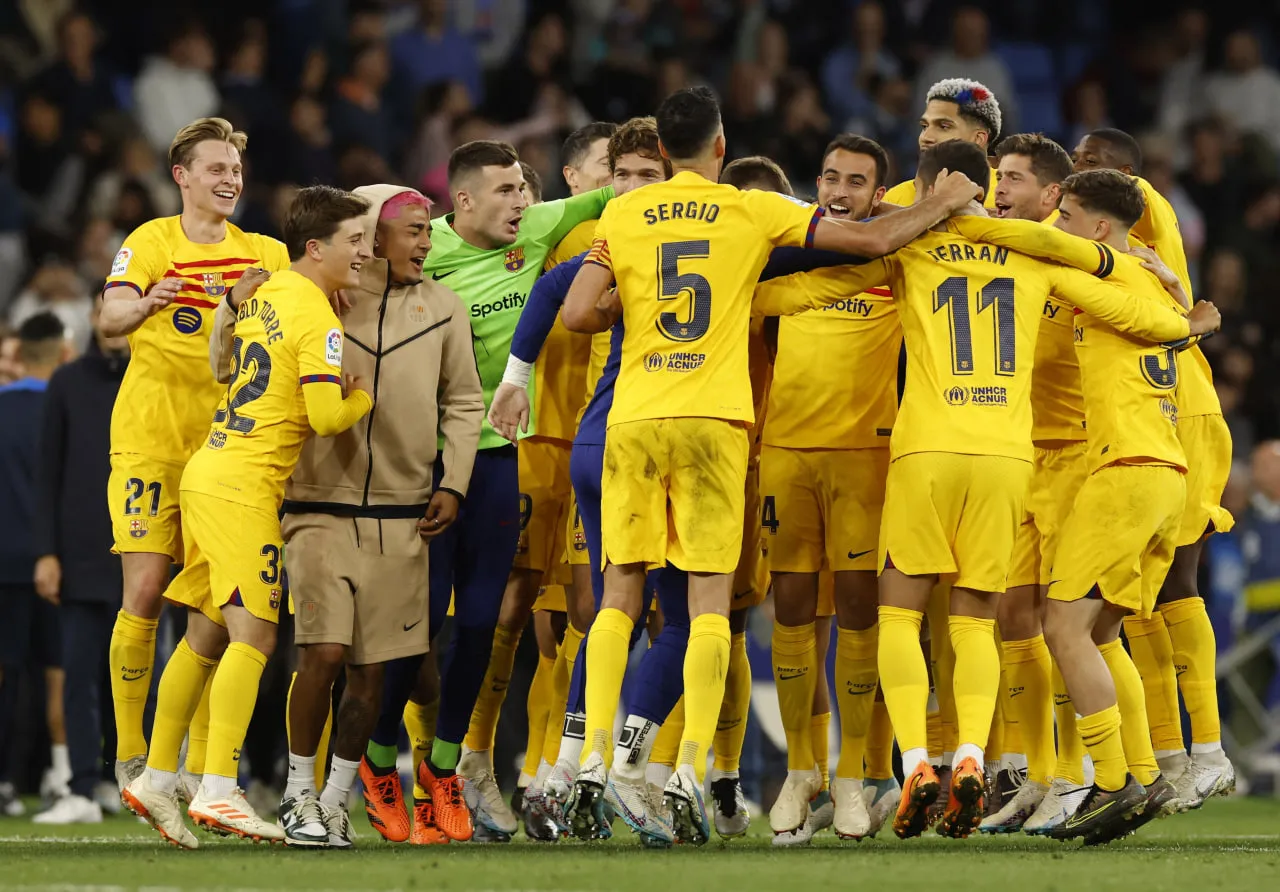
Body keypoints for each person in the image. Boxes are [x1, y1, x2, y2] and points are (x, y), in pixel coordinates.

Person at [560, 85, 982, 844]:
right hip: (713, 422)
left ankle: (592, 762)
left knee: (619, 595)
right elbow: (870, 244)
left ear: (661, 153)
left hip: (634, 418)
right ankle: (689, 770)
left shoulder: (621, 214)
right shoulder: (752, 209)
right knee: (707, 605)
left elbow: (578, 313)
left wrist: (632, 307)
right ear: (720, 148)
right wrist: (942, 202)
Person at [762, 139, 1204, 841]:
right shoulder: (1033, 254)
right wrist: (1187, 317)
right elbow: (1132, 313)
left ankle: (917, 763)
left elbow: (808, 291)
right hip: (1005, 458)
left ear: (932, 187)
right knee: (974, 621)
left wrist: (740, 296)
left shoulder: (908, 248)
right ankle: (972, 752)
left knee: (899, 614)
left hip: (927, 452)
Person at [946, 170, 1224, 842]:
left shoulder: (1105, 273)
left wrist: (960, 215)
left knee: (1063, 628)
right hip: (1163, 474)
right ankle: (1143, 773)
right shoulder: (1147, 280)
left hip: (1125, 472)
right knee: (1099, 635)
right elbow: (1163, 324)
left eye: (1067, 216)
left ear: (1099, 228)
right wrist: (1189, 312)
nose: (1059, 227)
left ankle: (1112, 781)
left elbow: (1044, 257)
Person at [207, 186, 485, 847]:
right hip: (316, 505)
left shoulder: (443, 307)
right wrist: (228, 308)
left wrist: (455, 481)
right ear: (373, 239)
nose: (427, 242)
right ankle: (298, 793)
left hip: (403, 512)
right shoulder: (316, 297)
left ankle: (335, 800)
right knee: (322, 654)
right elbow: (226, 365)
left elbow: (464, 401)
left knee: (375, 675)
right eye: (413, 231)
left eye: (428, 230)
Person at [364, 139, 614, 846]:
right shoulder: (418, 247)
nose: (522, 202)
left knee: (481, 620)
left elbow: (619, 194)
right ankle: (378, 761)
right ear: (464, 200)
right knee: (417, 626)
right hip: (420, 461)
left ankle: (444, 770)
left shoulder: (534, 228)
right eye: (506, 191)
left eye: (524, 189)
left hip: (498, 453)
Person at [123, 186, 375, 848]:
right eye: (355, 241)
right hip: (244, 486)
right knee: (257, 635)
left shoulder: (263, 292)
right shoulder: (318, 317)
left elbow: (221, 361)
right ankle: (217, 786)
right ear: (315, 247)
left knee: (205, 634)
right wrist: (362, 397)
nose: (366, 252)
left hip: (209, 469)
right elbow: (327, 416)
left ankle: (156, 776)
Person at [100, 117, 288, 794]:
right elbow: (109, 318)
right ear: (182, 177)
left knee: (214, 610)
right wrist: (145, 305)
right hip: (151, 441)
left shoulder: (264, 252)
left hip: (227, 453)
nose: (230, 179)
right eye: (216, 169)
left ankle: (198, 769)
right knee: (146, 589)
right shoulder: (152, 241)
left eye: (235, 170)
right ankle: (130, 752)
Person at [460, 122, 616, 838]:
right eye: (609, 168)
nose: (620, 181)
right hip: (528, 440)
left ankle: (550, 772)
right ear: (575, 179)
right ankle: (473, 758)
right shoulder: (539, 235)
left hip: (598, 441)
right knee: (512, 610)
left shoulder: (645, 238)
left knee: (587, 610)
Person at [1072, 127, 1236, 807]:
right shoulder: (1119, 244)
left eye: (1087, 164)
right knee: (1133, 592)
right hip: (1152, 404)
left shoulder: (1136, 201)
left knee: (1174, 579)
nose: (1075, 172)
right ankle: (1169, 754)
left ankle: (1210, 750)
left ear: (1120, 174)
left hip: (1180, 408)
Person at [755, 134, 901, 843]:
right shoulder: (783, 255)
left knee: (858, 610)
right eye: (830, 178)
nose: (840, 191)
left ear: (879, 196)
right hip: (785, 453)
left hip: (864, 459)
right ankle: (800, 770)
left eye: (856, 182)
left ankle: (852, 776)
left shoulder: (895, 264)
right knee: (790, 608)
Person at [972, 132, 1087, 835]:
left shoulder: (1076, 257)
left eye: (1013, 178)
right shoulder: (1002, 254)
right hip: (1017, 457)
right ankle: (1035, 775)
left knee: (1066, 624)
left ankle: (1081, 772)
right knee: (1014, 618)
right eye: (997, 177)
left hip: (1077, 459)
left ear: (1052, 194)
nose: (1000, 189)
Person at [30, 304, 129, 825]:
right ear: (94, 317)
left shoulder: (153, 375)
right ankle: (82, 787)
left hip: (141, 551)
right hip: (80, 554)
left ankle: (125, 784)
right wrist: (46, 552)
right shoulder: (67, 382)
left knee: (136, 678)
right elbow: (48, 471)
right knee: (79, 676)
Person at [0, 314, 71, 819]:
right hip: (60, 563)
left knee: (6, 675)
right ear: (63, 354)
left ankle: (4, 781)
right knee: (61, 674)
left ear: (18, 355)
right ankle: (65, 778)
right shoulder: (69, 408)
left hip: (4, 562)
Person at [881, 77, 1002, 209]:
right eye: (924, 126)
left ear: (978, 139)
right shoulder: (893, 198)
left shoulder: (1006, 196)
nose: (926, 137)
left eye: (944, 127)